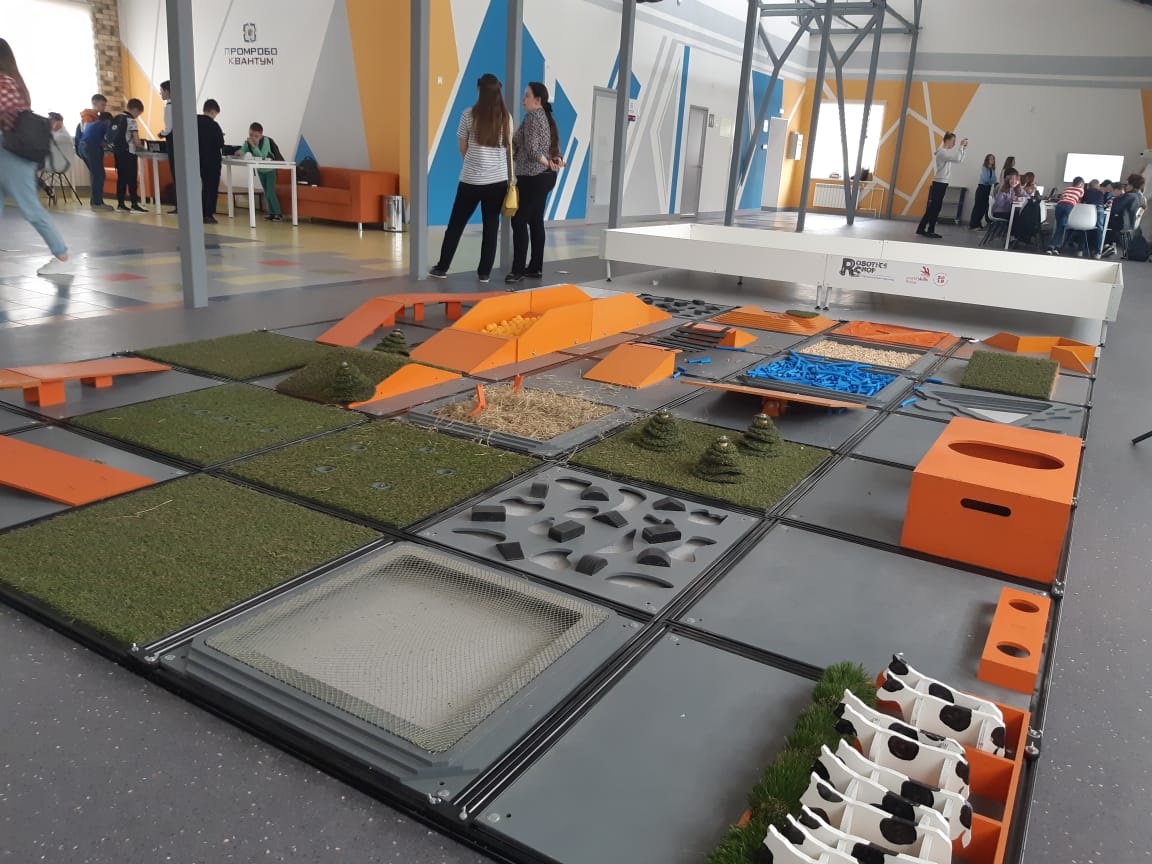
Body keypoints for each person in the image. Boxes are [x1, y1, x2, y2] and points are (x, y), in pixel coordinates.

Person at [429, 73, 510, 283]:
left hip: (470, 181)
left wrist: (473, 164)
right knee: (491, 226)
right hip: (497, 181)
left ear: (480, 91)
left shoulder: (468, 114)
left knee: (456, 224)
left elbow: (462, 147)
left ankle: (442, 267)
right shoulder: (506, 118)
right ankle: (484, 273)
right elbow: (507, 148)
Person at [0, 39, 71, 275]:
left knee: (30, 207)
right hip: (7, 151)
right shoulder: (10, 81)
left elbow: (7, 111)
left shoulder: (5, 82)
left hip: (11, 153)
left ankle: (62, 256)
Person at [505, 82, 564, 285]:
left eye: (527, 95)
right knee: (536, 220)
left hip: (533, 177)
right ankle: (535, 267)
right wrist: (554, 161)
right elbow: (554, 148)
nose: (523, 99)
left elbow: (532, 149)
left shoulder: (531, 118)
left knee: (519, 221)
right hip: (546, 178)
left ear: (538, 100)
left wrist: (547, 162)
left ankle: (518, 270)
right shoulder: (548, 118)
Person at [916, 131, 967, 239]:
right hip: (939, 183)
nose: (954, 143)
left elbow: (959, 160)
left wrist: (963, 148)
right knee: (935, 208)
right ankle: (929, 230)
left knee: (934, 207)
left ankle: (922, 228)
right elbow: (957, 158)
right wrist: (961, 146)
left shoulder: (945, 153)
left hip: (941, 183)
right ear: (947, 140)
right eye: (953, 141)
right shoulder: (942, 153)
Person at [237, 121, 284, 221]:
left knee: (270, 192)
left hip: (270, 170)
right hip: (260, 170)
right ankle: (271, 213)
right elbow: (243, 149)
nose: (253, 138)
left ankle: (278, 213)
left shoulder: (266, 141)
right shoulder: (248, 142)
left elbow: (262, 156)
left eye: (256, 136)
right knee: (266, 192)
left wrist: (254, 146)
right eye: (251, 135)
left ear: (261, 135)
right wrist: (239, 152)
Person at [110, 97, 147, 213]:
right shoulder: (130, 120)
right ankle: (134, 204)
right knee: (132, 179)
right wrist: (143, 147)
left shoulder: (117, 118)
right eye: (138, 114)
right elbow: (136, 140)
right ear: (136, 110)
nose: (137, 117)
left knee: (121, 178)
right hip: (129, 152)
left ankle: (120, 204)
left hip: (118, 152)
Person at [78, 110, 113, 210]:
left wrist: (105, 145)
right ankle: (97, 203)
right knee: (99, 175)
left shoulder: (93, 124)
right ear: (108, 121)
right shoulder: (104, 125)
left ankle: (94, 201)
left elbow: (98, 140)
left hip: (82, 147)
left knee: (95, 175)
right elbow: (109, 139)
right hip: (91, 148)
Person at [196, 99, 224, 224]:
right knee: (211, 188)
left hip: (199, 160)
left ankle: (200, 212)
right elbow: (220, 143)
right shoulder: (214, 125)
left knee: (203, 187)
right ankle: (208, 214)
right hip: (212, 161)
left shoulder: (194, 122)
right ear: (213, 112)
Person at [1045, 176, 1085, 254]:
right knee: (1061, 228)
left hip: (1059, 206)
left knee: (1059, 227)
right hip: (1068, 206)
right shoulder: (1081, 190)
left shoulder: (1067, 189)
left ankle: (1054, 247)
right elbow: (1080, 199)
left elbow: (1061, 197)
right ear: (1081, 184)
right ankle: (1053, 247)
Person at [159, 79, 177, 214]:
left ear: (167, 91)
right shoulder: (179, 105)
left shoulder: (170, 107)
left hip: (172, 142)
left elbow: (169, 127)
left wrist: (162, 133)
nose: (161, 93)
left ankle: (178, 205)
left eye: (162, 91)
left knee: (175, 173)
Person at [967, 153, 996, 229]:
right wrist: (990, 181)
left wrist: (990, 181)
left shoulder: (992, 169)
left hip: (987, 189)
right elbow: (986, 180)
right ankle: (973, 224)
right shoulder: (984, 168)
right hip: (982, 188)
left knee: (983, 208)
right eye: (991, 158)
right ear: (987, 160)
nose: (992, 160)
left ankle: (978, 223)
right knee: (978, 207)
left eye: (993, 159)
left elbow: (994, 180)